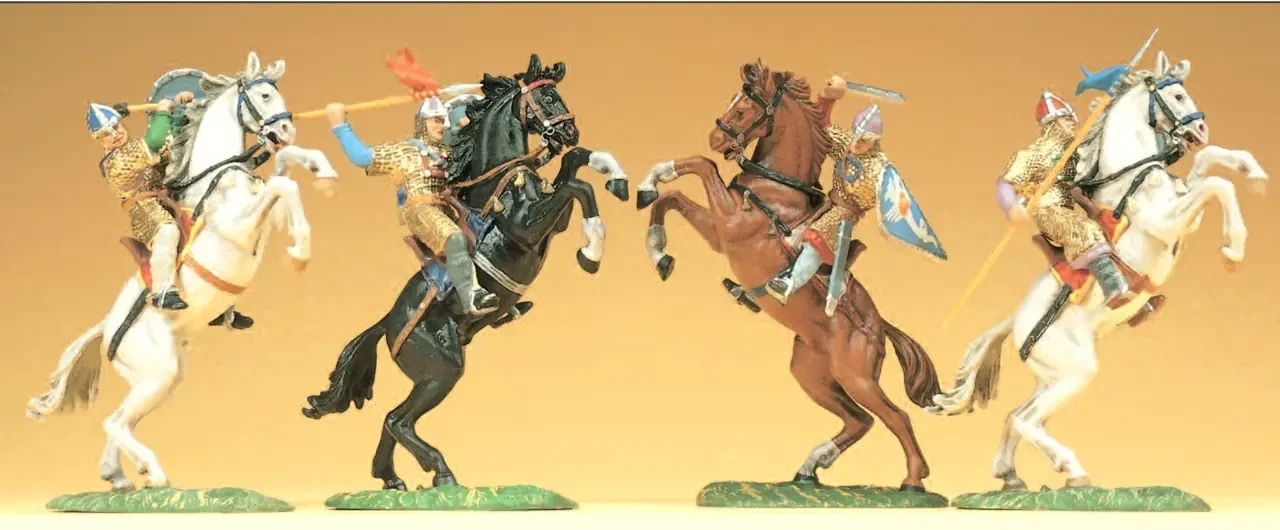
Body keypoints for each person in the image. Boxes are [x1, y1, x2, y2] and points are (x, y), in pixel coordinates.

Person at [327, 95, 500, 316]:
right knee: (455, 238)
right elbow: (361, 157)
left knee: (487, 235)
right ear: (422, 122)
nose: (442, 125)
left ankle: (502, 298)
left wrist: (466, 118)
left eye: (443, 120)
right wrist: (340, 125)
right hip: (420, 209)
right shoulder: (404, 151)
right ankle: (472, 298)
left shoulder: (448, 151)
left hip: (448, 210)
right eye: (436, 120)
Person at [995, 91, 1128, 305]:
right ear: (1052, 123)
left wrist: (1106, 110)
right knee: (1083, 228)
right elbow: (1005, 184)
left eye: (1071, 118)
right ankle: (1111, 284)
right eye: (1066, 119)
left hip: (1075, 203)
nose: (1073, 122)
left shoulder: (1077, 148)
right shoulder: (1032, 155)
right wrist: (1011, 207)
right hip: (1048, 210)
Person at [764, 77, 887, 304]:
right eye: (856, 134)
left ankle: (790, 284)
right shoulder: (846, 145)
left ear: (874, 141)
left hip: (843, 214)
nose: (857, 142)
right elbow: (822, 125)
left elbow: (888, 196)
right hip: (826, 202)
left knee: (817, 237)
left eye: (864, 140)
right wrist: (829, 97)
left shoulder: (879, 167)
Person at [90, 94, 192, 311]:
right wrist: (163, 110)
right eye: (106, 134)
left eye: (116, 127)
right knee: (167, 231)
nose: (115, 134)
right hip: (145, 210)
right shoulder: (117, 161)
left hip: (168, 199)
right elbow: (155, 140)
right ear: (100, 141)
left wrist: (179, 109)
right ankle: (162, 291)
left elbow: (171, 141)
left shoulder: (136, 145)